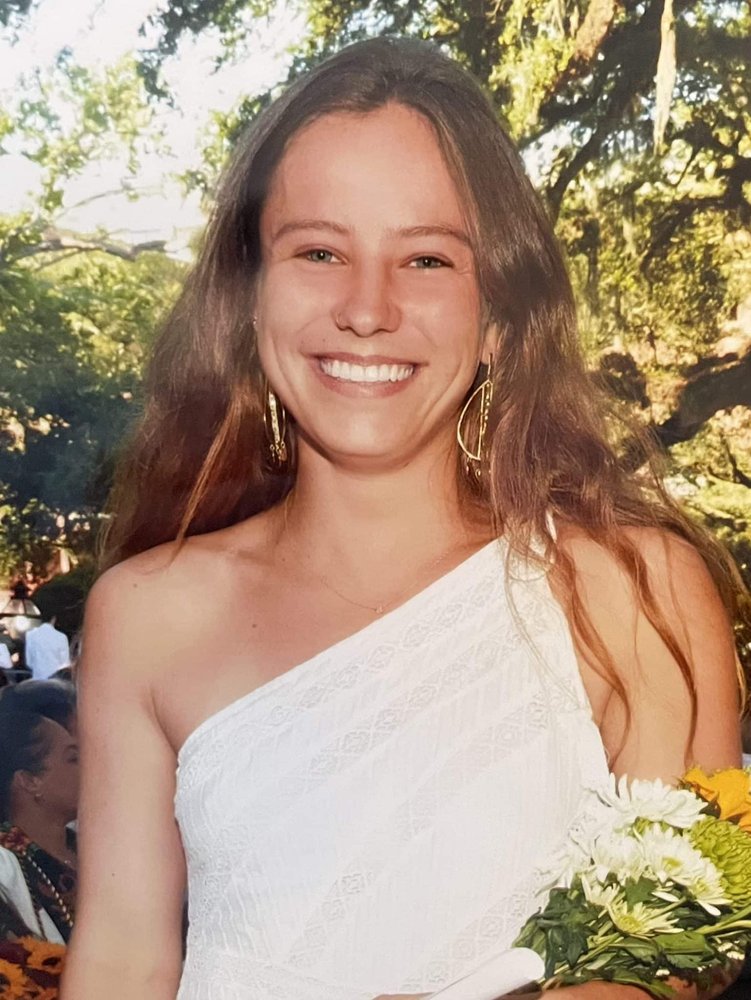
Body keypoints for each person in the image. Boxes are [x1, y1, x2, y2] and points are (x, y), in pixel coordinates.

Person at [62, 37, 746, 1000]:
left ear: (498, 317)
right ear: (247, 300)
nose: (366, 308)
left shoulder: (632, 593)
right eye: (318, 252)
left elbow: (685, 947)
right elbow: (123, 958)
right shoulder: (146, 611)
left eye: (426, 258)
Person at [0, 681, 78, 946]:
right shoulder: (6, 869)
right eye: (73, 759)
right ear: (30, 781)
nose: (89, 768)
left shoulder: (93, 847)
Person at [24, 613, 70, 681]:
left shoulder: (30, 635)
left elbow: (29, 662)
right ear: (53, 619)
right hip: (56, 681)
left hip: (37, 678)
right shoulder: (62, 637)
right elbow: (65, 663)